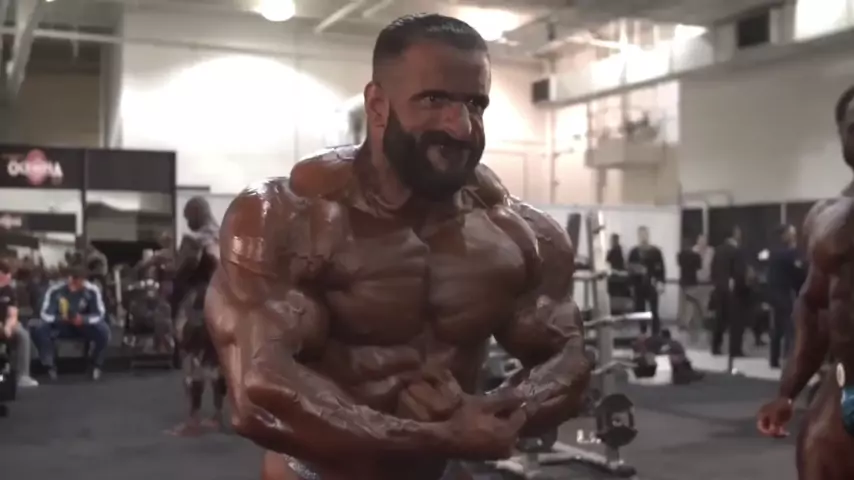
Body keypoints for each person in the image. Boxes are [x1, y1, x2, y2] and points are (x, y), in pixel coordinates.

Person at [204, 14, 591, 480]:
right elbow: (258, 391)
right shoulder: (287, 217)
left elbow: (568, 357)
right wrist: (442, 436)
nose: (461, 127)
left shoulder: (515, 231)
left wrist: (502, 411)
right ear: (377, 105)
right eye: (434, 100)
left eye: (475, 104)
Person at [757, 85, 854, 479]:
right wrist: (788, 391)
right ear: (842, 138)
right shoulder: (826, 217)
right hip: (846, 387)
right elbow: (814, 307)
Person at [167, 197, 224, 436]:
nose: (186, 221)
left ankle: (193, 420)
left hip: (196, 306)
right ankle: (218, 416)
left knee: (192, 363)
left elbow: (179, 274)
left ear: (195, 214)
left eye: (187, 216)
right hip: (222, 305)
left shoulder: (193, 241)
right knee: (218, 362)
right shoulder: (224, 238)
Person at [30, 265, 110, 380]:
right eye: (73, 278)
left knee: (103, 330)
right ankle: (49, 366)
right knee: (39, 328)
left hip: (83, 326)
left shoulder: (92, 290)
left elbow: (99, 314)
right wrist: (61, 319)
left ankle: (96, 365)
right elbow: (45, 314)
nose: (75, 281)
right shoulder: (55, 290)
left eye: (79, 279)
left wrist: (84, 319)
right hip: (62, 325)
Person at [767, 224, 803, 368]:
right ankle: (789, 358)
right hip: (784, 293)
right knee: (790, 327)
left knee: (777, 328)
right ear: (785, 236)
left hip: (774, 293)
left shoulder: (774, 251)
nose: (794, 237)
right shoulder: (788, 253)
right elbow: (797, 272)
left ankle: (774, 359)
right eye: (792, 234)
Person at [710, 226, 748, 357]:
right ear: (734, 235)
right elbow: (739, 272)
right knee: (736, 321)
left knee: (720, 319)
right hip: (734, 291)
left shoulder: (718, 250)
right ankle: (735, 349)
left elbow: (713, 269)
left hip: (720, 288)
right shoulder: (737, 251)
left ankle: (715, 346)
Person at [0, 260, 38, 387]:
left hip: (5, 324)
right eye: (5, 273)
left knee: (23, 335)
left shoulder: (9, 290)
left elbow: (13, 313)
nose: (8, 276)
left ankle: (23, 376)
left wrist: (8, 326)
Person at [627, 226, 666, 334]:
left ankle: (655, 333)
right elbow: (629, 270)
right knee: (640, 310)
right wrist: (631, 285)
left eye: (645, 234)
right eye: (641, 235)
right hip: (639, 285)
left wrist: (661, 282)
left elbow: (661, 269)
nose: (643, 237)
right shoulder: (634, 252)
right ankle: (643, 331)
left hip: (652, 284)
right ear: (638, 236)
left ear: (648, 235)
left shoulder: (655, 252)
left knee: (654, 310)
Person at [677, 237, 703, 339]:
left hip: (683, 281)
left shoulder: (680, 255)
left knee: (684, 303)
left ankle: (684, 322)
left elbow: (679, 264)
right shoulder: (696, 256)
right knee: (691, 303)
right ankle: (689, 323)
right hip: (693, 281)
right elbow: (699, 267)